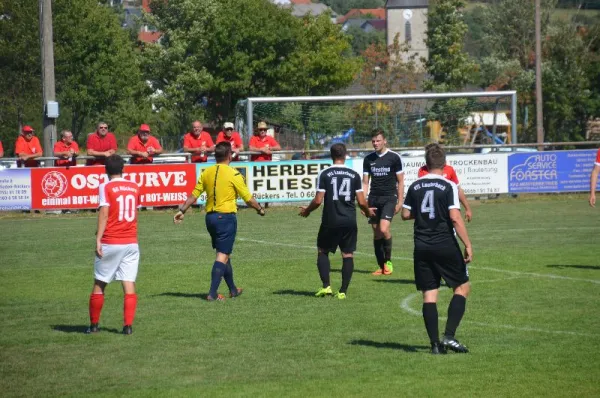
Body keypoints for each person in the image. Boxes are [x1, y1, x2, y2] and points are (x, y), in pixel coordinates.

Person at [401, 144, 473, 355]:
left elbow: (405, 215)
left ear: (426, 163)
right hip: (444, 244)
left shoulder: (415, 186)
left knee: (429, 295)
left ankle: (435, 345)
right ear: (445, 163)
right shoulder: (448, 185)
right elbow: (454, 217)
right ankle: (449, 336)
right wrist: (468, 244)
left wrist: (423, 216)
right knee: (462, 287)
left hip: (421, 246)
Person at [174, 142, 265, 301]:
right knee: (222, 255)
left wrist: (182, 211)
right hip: (226, 218)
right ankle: (212, 293)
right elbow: (248, 199)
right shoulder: (234, 174)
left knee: (224, 254)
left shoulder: (206, 172)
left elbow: (194, 195)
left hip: (210, 218)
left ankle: (233, 289)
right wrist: (259, 209)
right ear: (230, 155)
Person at [299, 143, 375, 299]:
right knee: (347, 255)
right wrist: (368, 212)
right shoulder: (354, 174)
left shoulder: (325, 174)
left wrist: (307, 210)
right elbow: (361, 201)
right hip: (349, 220)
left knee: (322, 251)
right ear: (345, 155)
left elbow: (318, 200)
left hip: (330, 220)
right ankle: (343, 291)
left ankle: (326, 286)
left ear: (331, 155)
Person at [86, 154, 142, 335]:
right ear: (123, 169)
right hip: (131, 242)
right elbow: (135, 210)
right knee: (128, 282)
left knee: (100, 282)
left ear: (105, 170)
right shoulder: (134, 186)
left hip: (111, 240)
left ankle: (94, 325)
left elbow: (104, 211)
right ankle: (128, 326)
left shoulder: (105, 186)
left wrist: (98, 238)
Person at [362, 129, 404, 275]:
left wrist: (400, 201)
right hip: (373, 199)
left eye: (378, 140)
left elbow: (401, 181)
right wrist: (363, 202)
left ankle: (388, 261)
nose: (375, 143)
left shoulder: (394, 158)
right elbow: (365, 182)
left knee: (384, 229)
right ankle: (381, 266)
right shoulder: (368, 159)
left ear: (384, 141)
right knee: (377, 233)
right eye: (373, 141)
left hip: (389, 198)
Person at [418, 143, 473, 222]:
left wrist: (467, 208)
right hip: (431, 212)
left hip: (448, 210)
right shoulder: (422, 170)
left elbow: (458, 190)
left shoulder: (449, 169)